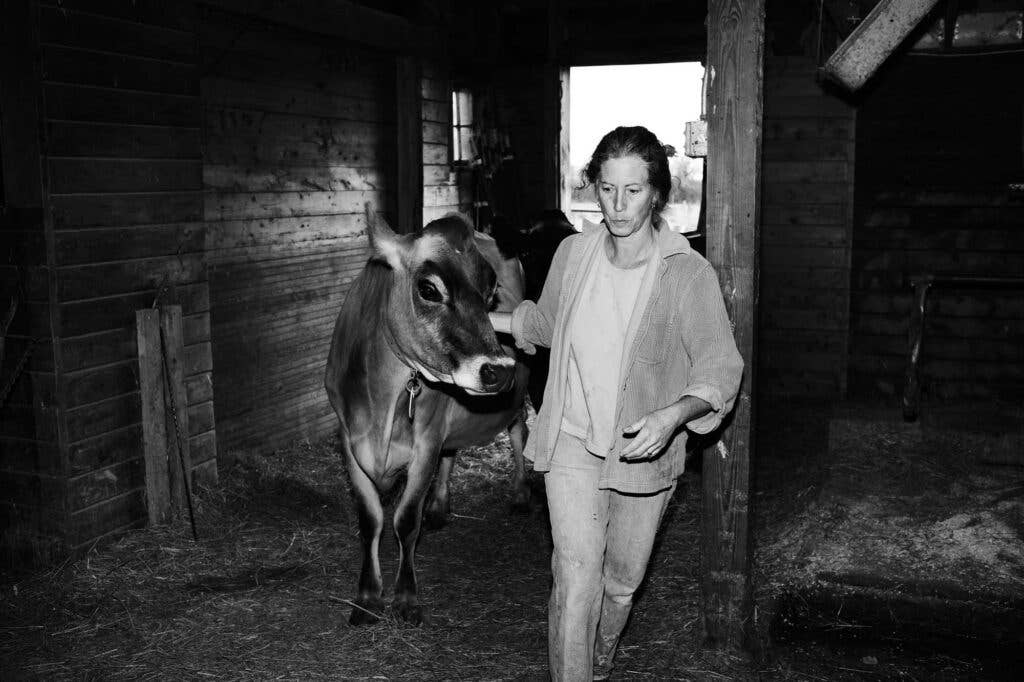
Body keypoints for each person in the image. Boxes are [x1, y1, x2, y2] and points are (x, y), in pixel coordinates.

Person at [489, 125, 744, 681]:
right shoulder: (573, 254)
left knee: (620, 585)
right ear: (594, 188)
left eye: (633, 190)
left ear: (657, 192)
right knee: (575, 576)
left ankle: (601, 653)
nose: (619, 205)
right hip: (573, 442)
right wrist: (481, 321)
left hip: (640, 453)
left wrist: (673, 414)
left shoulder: (685, 273)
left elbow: (720, 370)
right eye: (606, 189)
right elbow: (549, 322)